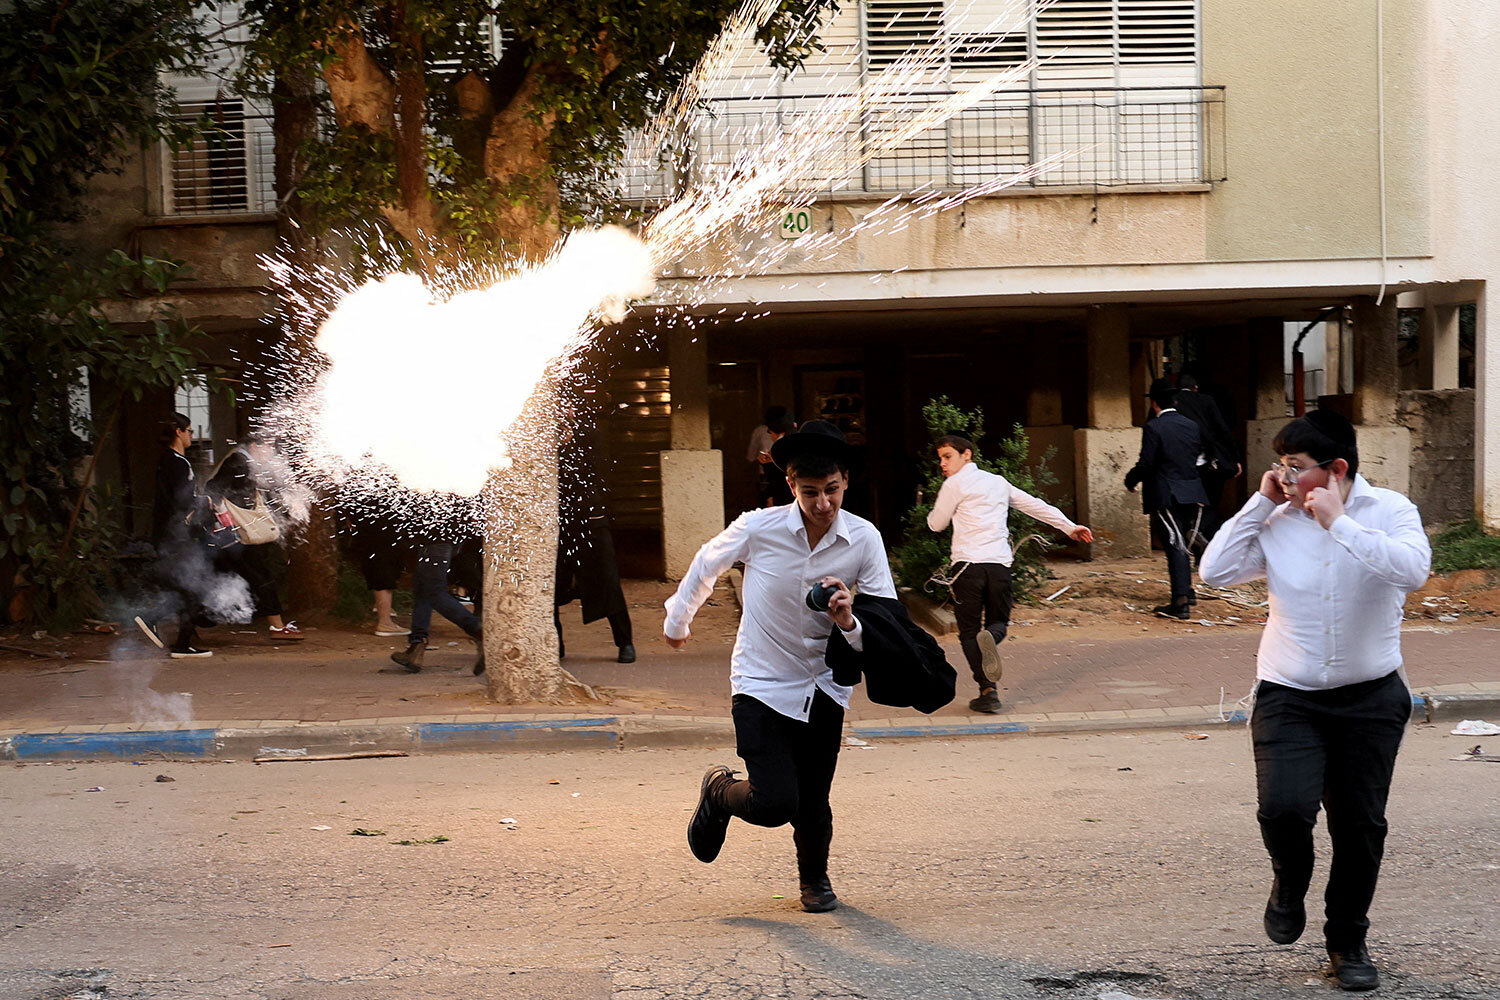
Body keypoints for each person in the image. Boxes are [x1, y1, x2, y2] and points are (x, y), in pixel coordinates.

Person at [1199, 410, 1429, 992]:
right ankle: (1289, 878)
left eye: (1294, 467)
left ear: (1336, 470)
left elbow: (1415, 572)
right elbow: (1214, 572)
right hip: (1288, 694)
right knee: (1284, 809)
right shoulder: (1276, 519)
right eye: (1279, 464)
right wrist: (1257, 503)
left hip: (1372, 698)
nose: (1284, 475)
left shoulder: (1390, 512)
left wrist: (1340, 525)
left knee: (1359, 828)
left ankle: (1347, 942)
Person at [664, 420, 895, 913]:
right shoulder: (759, 527)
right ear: (791, 486)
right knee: (775, 803)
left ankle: (815, 881)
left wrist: (850, 620)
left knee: (813, 797)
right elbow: (707, 563)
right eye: (810, 491)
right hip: (761, 683)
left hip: (826, 686)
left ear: (845, 481)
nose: (822, 504)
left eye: (831, 490)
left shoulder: (865, 539)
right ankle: (720, 791)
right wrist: (678, 619)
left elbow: (887, 618)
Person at [926, 434, 1093, 714]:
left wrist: (934, 511)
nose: (942, 463)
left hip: (967, 567)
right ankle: (992, 636)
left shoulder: (953, 484)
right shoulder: (998, 482)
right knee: (998, 623)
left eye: (947, 456)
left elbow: (936, 525)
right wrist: (1069, 527)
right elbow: (1034, 505)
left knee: (969, 632)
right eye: (940, 458)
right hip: (999, 566)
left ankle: (988, 691)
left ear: (967, 454)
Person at [1124, 378, 1210, 619]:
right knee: (1181, 541)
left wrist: (1130, 481)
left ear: (1154, 404)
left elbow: (1146, 463)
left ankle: (1180, 601)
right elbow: (1196, 456)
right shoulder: (1191, 425)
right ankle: (1188, 592)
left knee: (1175, 545)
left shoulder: (1154, 428)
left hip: (1166, 493)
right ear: (1175, 401)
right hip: (1191, 491)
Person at [555, 406, 635, 664]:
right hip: (557, 521)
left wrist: (568, 441)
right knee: (552, 586)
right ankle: (555, 645)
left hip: (590, 518)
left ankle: (625, 643)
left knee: (607, 580)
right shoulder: (544, 439)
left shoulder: (589, 434)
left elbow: (596, 472)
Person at [133, 412, 213, 658]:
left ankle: (180, 641)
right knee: (191, 586)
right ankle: (162, 627)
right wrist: (204, 501)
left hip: (170, 535)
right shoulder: (178, 462)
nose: (191, 436)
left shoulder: (168, 460)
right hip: (176, 536)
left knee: (183, 587)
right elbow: (182, 500)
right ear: (179, 431)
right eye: (189, 431)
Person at [205, 442, 302, 640]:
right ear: (255, 445)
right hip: (237, 533)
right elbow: (212, 488)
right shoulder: (239, 462)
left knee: (235, 576)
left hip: (238, 533)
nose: (270, 453)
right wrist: (225, 521)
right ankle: (276, 626)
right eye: (268, 447)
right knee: (261, 576)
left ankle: (195, 619)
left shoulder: (245, 463)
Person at [1173, 372, 1242, 546]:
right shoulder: (1206, 401)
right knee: (1209, 504)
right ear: (1196, 388)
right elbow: (1222, 430)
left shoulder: (1172, 402)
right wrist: (1234, 457)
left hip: (1179, 465)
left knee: (1184, 508)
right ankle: (1201, 536)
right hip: (1207, 464)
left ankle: (1187, 545)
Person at [757, 412, 797, 508]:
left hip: (785, 500)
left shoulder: (783, 446)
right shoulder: (792, 441)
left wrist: (775, 499)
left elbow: (780, 479)